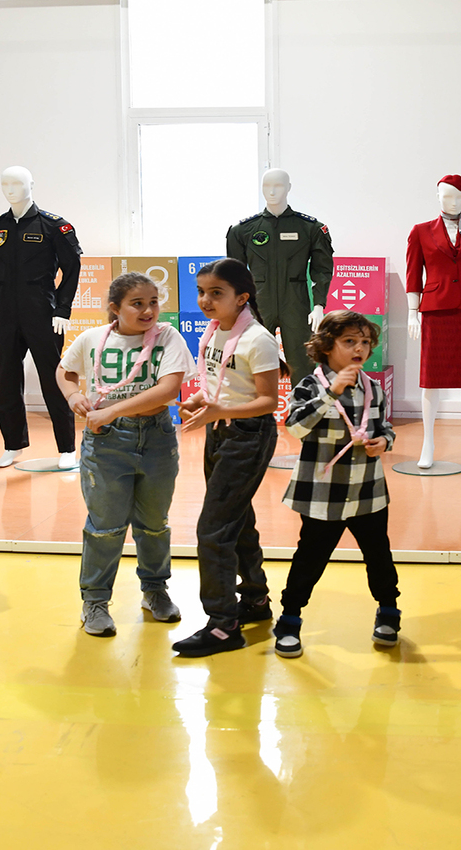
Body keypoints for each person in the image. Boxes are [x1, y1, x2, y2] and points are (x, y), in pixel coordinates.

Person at [57, 272, 193, 637]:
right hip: (106, 442)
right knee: (105, 527)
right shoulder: (91, 338)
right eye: (138, 304)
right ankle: (95, 601)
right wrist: (73, 395)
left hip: (156, 438)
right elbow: (65, 371)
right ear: (115, 308)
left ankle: (155, 590)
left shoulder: (167, 336)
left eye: (153, 302)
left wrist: (112, 410)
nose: (148, 310)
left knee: (154, 523)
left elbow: (168, 389)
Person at [175, 258, 286, 657]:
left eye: (216, 293)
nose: (205, 300)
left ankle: (223, 626)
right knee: (237, 522)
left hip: (248, 435)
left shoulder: (258, 339)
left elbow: (268, 401)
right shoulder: (214, 331)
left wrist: (221, 411)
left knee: (213, 530)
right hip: (220, 430)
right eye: (202, 292)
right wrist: (201, 400)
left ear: (242, 298)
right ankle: (255, 599)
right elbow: (224, 385)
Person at [273, 311, 399, 659]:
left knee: (379, 555)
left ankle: (389, 610)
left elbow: (385, 428)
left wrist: (383, 442)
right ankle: (290, 618)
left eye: (365, 342)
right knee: (310, 558)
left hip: (367, 490)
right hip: (323, 493)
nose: (360, 349)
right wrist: (332, 392)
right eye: (349, 341)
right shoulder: (311, 385)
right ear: (327, 346)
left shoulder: (373, 388)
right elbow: (295, 428)